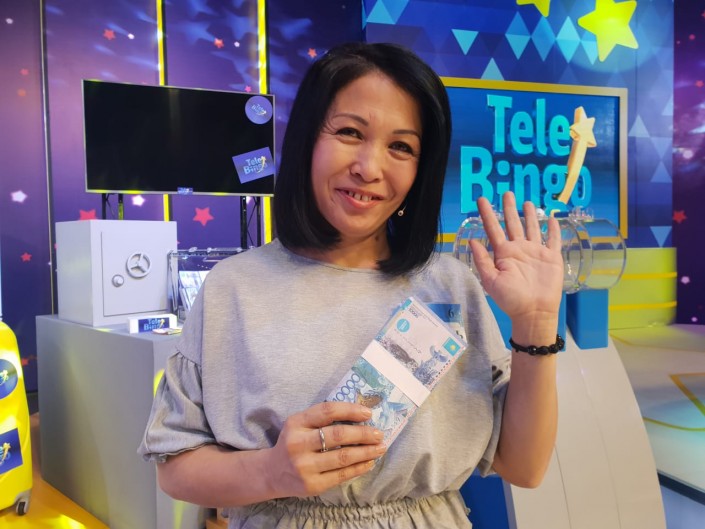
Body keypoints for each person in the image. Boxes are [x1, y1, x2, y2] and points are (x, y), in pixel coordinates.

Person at [138, 42, 564, 528]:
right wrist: (271, 472)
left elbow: (523, 466)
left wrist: (536, 324)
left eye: (401, 147)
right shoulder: (233, 288)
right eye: (349, 132)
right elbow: (175, 467)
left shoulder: (450, 286)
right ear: (307, 141)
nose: (369, 167)